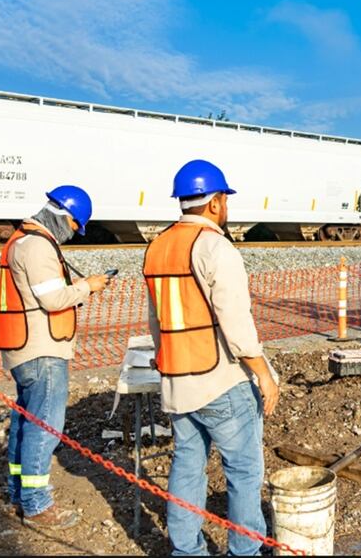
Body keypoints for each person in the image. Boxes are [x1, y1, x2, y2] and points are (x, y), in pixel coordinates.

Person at [144, 159, 279, 556]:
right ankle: (245, 551)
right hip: (221, 382)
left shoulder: (158, 247)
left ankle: (187, 551)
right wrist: (264, 374)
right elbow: (236, 325)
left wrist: (162, 355)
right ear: (217, 202)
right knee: (244, 472)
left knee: (187, 466)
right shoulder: (216, 248)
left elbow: (156, 318)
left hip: (178, 382)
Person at [0, 185, 110, 529]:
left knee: (26, 422)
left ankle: (19, 492)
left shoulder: (24, 240)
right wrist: (88, 287)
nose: (74, 234)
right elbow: (53, 299)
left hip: (27, 347)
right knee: (44, 427)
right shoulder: (37, 246)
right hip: (42, 350)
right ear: (65, 216)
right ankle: (36, 504)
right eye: (76, 226)